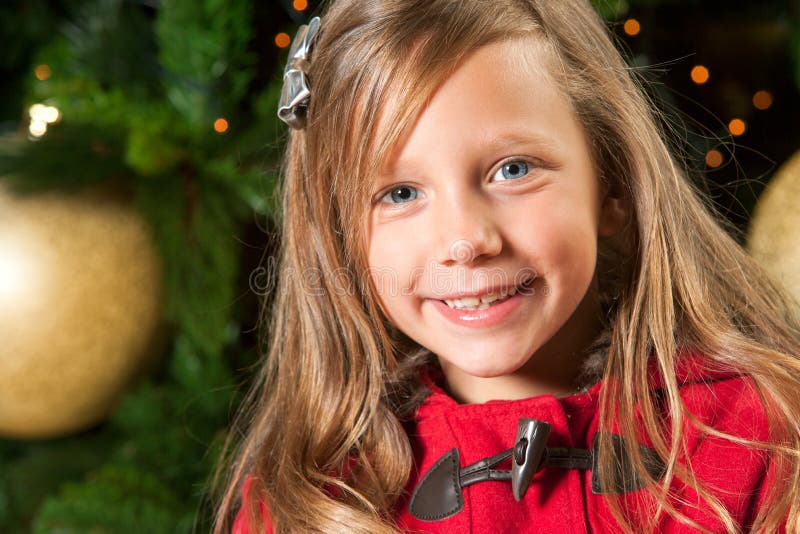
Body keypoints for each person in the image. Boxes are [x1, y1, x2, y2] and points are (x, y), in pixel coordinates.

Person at [212, 0, 800, 532]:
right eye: (399, 194)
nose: (466, 241)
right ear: (342, 238)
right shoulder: (309, 503)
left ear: (612, 185)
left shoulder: (762, 437)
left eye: (513, 169)